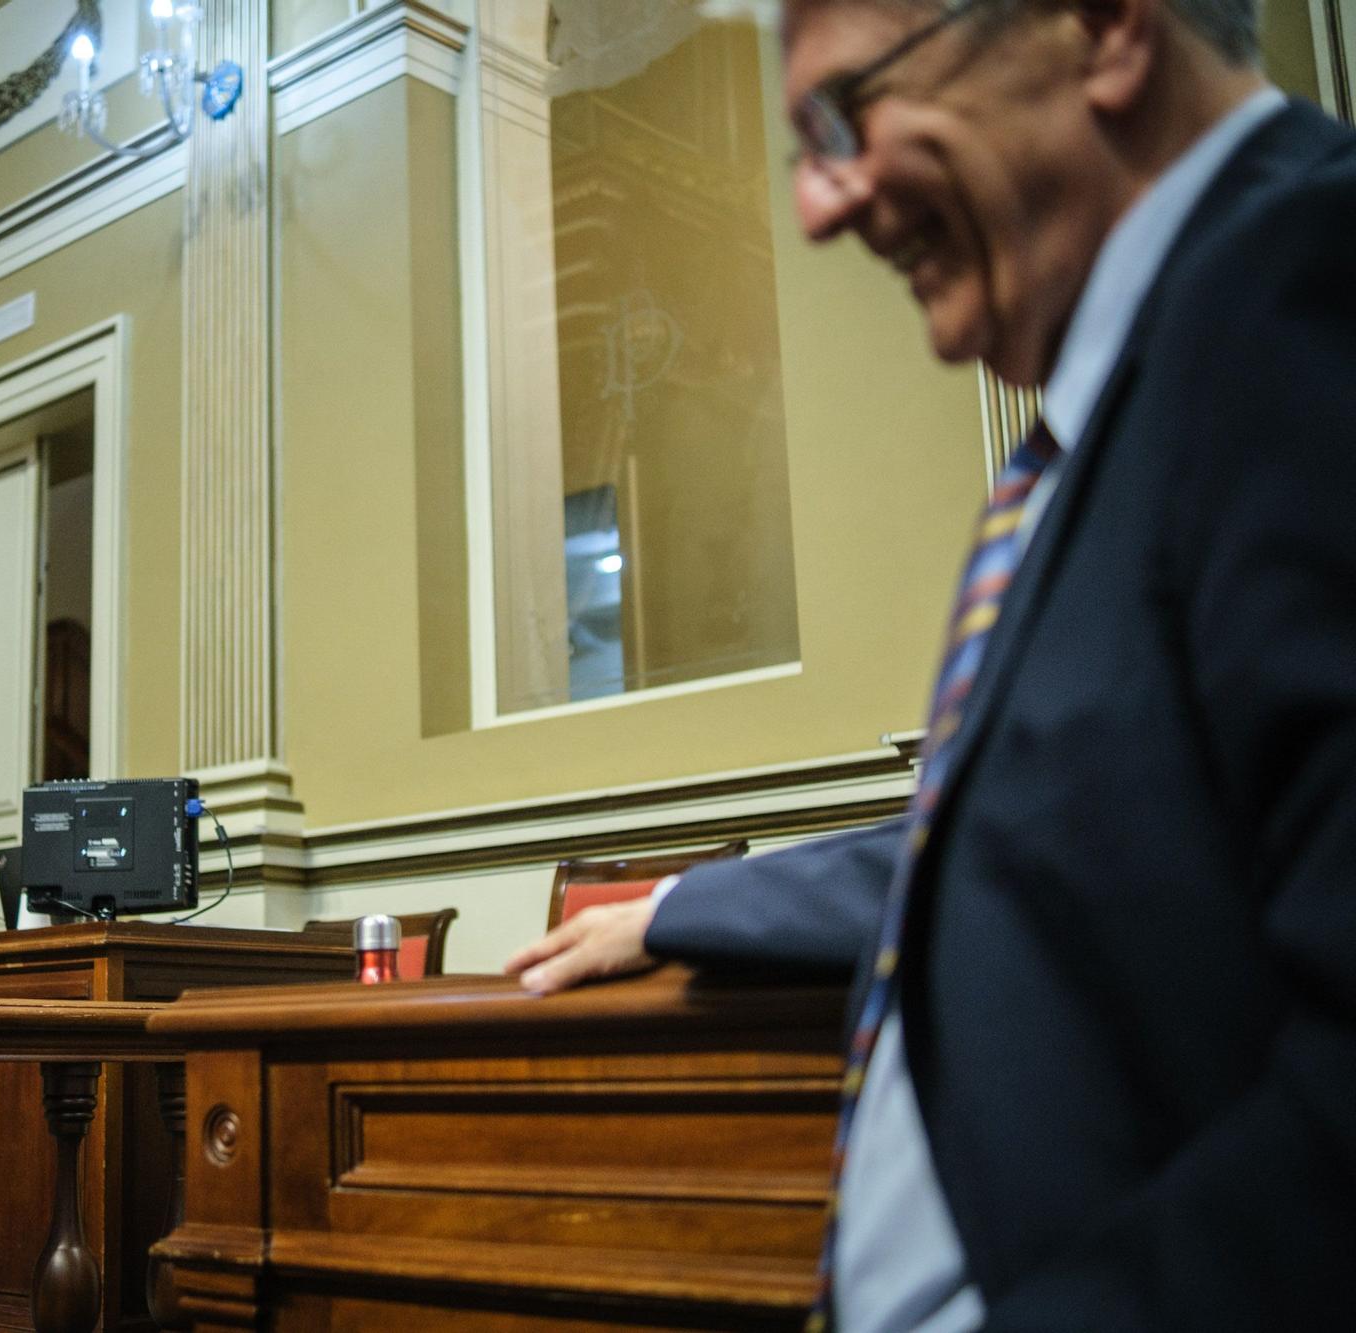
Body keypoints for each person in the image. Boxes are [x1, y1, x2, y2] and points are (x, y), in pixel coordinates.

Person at [506, 0, 1356, 1326]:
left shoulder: (1313, 291)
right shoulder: (1129, 395)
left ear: (1103, 30)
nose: (815, 207)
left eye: (846, 116)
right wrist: (672, 911)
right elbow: (1056, 842)